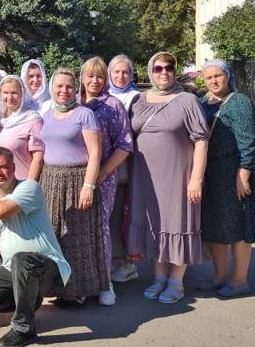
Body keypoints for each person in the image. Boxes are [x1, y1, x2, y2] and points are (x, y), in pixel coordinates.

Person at [0, 148, 72, 347]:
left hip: (49, 270)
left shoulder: (29, 188)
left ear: (14, 168)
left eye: (4, 167)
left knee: (21, 259)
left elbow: (1, 211)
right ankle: (29, 303)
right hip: (14, 271)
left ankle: (24, 329)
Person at [127, 52, 209, 304]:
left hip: (177, 175)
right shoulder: (139, 100)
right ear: (150, 71)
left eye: (169, 68)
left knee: (178, 223)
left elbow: (201, 140)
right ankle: (159, 277)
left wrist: (196, 179)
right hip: (144, 176)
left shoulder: (186, 100)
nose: (164, 73)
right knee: (154, 224)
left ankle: (177, 281)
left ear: (175, 71)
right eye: (158, 68)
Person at [37, 68, 104, 307]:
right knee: (55, 235)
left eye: (68, 86)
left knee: (77, 236)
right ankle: (58, 287)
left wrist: (89, 185)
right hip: (51, 180)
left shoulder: (84, 114)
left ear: (74, 88)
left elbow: (95, 153)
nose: (64, 91)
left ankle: (79, 291)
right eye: (59, 86)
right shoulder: (47, 113)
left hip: (77, 179)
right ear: (52, 88)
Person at [199, 60, 255, 297]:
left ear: (228, 76)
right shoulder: (203, 102)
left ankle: (239, 280)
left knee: (238, 225)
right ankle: (219, 277)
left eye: (218, 76)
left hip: (233, 171)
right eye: (209, 78)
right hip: (210, 172)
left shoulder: (239, 103)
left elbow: (249, 142)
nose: (214, 81)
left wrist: (244, 173)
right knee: (214, 225)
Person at [79, 57, 134, 307]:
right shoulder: (72, 102)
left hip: (103, 177)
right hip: (71, 175)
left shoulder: (112, 105)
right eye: (90, 75)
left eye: (100, 76)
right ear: (82, 77)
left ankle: (104, 283)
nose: (95, 80)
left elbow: (125, 144)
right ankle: (79, 283)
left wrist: (103, 172)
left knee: (100, 227)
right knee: (75, 227)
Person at [106, 54, 141, 284]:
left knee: (123, 214)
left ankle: (125, 262)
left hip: (128, 164)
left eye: (125, 72)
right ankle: (111, 260)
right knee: (108, 216)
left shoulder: (138, 98)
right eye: (116, 72)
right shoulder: (102, 95)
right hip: (105, 166)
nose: (120, 76)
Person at [0, 75, 44, 181]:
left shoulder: (32, 119)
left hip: (22, 183)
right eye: (6, 93)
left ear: (22, 94)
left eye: (14, 93)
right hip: (0, 183)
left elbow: (38, 157)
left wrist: (29, 185)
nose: (10, 97)